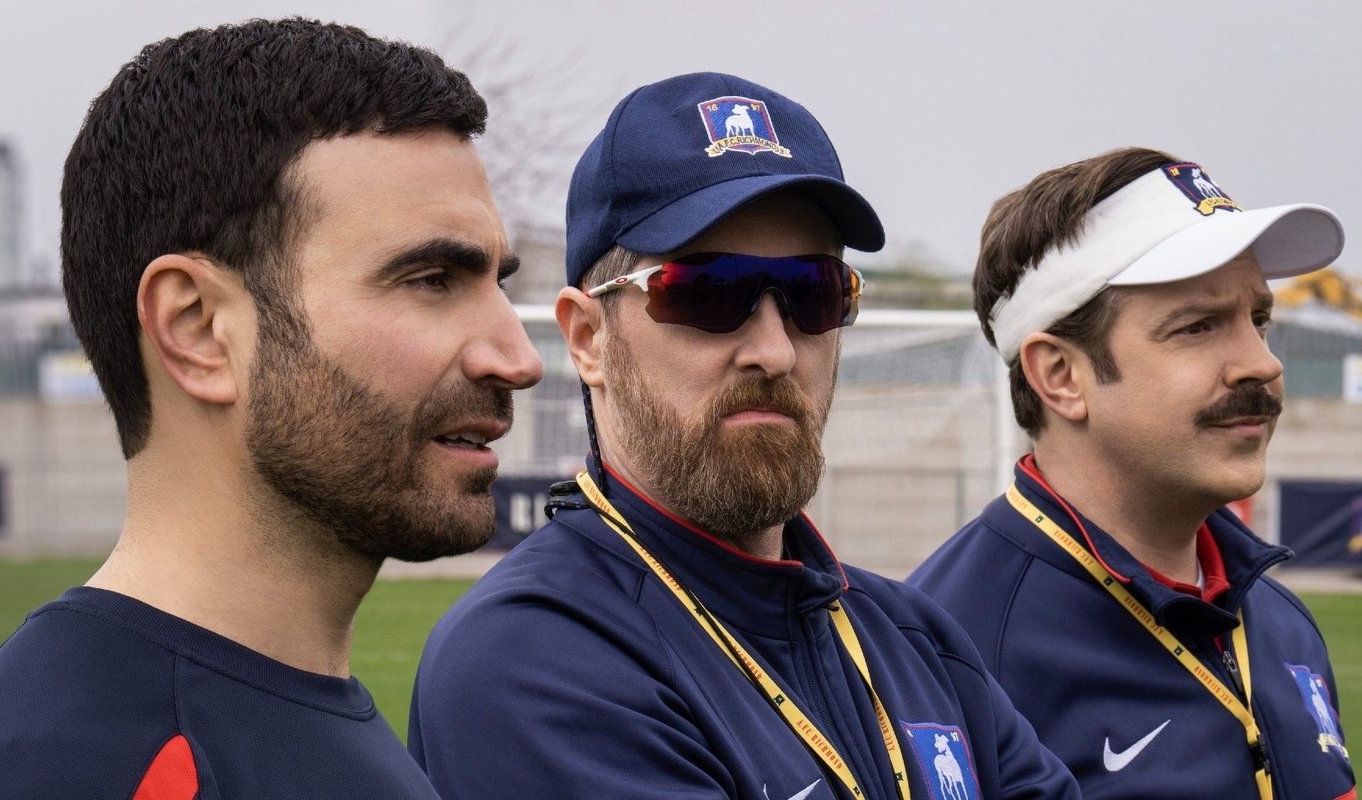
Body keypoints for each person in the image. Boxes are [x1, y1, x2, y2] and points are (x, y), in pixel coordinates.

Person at [408, 72, 1080, 800]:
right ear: (588, 338)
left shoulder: (917, 640)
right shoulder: (532, 659)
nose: (776, 349)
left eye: (813, 293)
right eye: (709, 291)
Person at [0, 18, 541, 799]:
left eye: (497, 281)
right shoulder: (73, 771)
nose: (515, 358)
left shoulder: (314, 722)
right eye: (431, 280)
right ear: (198, 328)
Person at [908, 148, 1358, 799]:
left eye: (1258, 320)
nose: (1261, 363)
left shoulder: (1282, 622)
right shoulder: (944, 655)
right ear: (1061, 376)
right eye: (1198, 326)